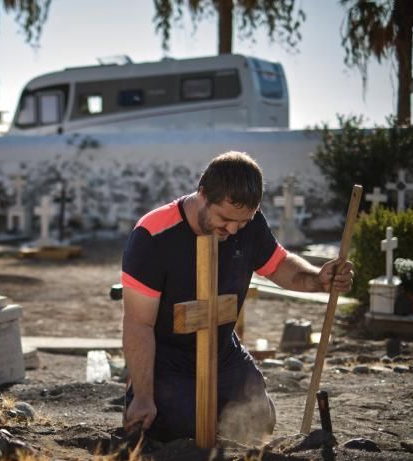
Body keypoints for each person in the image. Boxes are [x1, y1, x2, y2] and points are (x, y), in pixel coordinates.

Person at [121, 151, 354, 444]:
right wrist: (143, 395)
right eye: (225, 219)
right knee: (178, 428)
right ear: (203, 194)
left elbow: (280, 265)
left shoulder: (249, 223)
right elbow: (138, 324)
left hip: (223, 350)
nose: (232, 230)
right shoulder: (153, 235)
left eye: (241, 223)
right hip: (166, 359)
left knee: (259, 419)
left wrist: (318, 280)